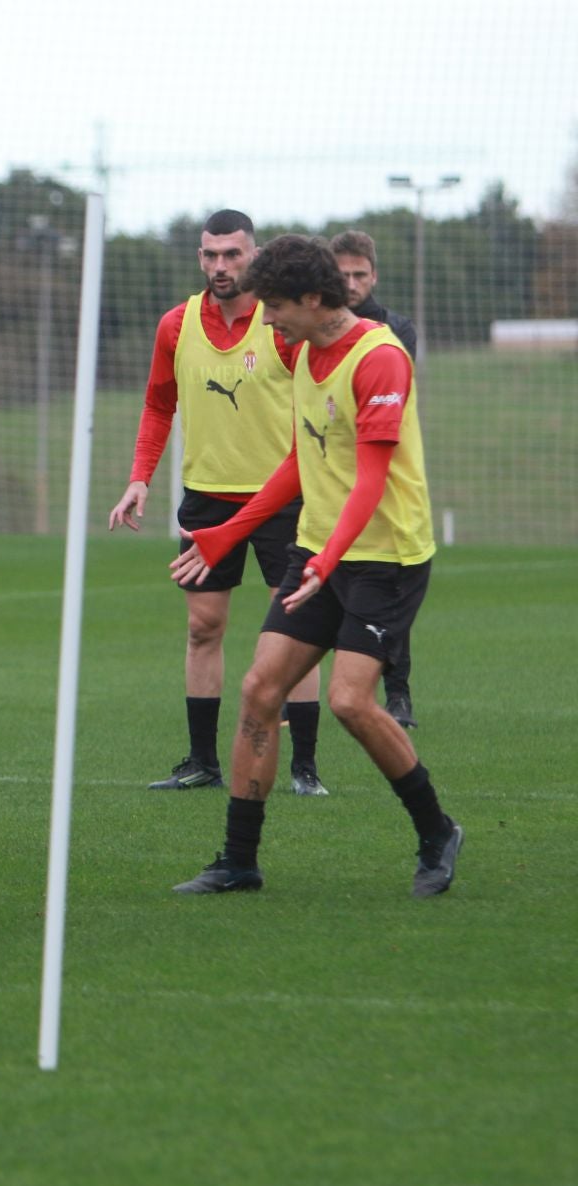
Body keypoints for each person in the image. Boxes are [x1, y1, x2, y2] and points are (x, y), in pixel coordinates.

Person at [169, 234, 460, 898]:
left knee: (351, 700)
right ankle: (239, 860)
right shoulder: (300, 353)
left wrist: (328, 564)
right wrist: (225, 534)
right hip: (320, 550)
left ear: (311, 298)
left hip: (384, 559)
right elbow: (301, 462)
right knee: (259, 690)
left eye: (274, 306)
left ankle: (437, 832)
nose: (266, 319)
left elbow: (370, 479)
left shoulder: (380, 358)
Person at [108, 209, 328, 797]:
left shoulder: (281, 324)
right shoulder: (176, 325)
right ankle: (203, 761)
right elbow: (158, 405)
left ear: (253, 254)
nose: (220, 265)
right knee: (203, 629)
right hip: (206, 499)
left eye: (232, 254)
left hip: (285, 500)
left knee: (296, 628)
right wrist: (139, 478)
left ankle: (305, 768)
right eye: (210, 255)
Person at [331, 229, 419, 729]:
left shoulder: (395, 331)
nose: (350, 283)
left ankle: (398, 692)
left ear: (374, 275)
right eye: (341, 275)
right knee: (321, 589)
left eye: (359, 274)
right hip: (330, 477)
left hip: (379, 477)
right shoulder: (317, 329)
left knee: (384, 595)